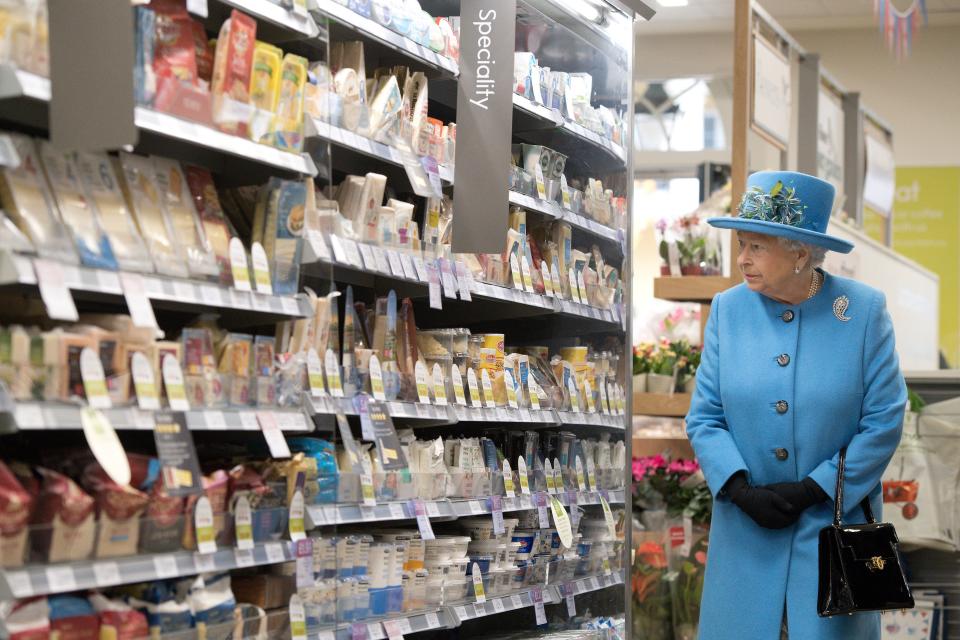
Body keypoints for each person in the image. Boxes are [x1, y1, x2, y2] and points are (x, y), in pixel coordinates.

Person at [686, 170, 907, 639]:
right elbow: (705, 417)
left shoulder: (862, 311)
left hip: (833, 531)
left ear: (800, 253)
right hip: (745, 529)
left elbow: (884, 420)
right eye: (741, 244)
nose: (742, 259)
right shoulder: (729, 310)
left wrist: (814, 488)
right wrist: (741, 490)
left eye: (756, 247)